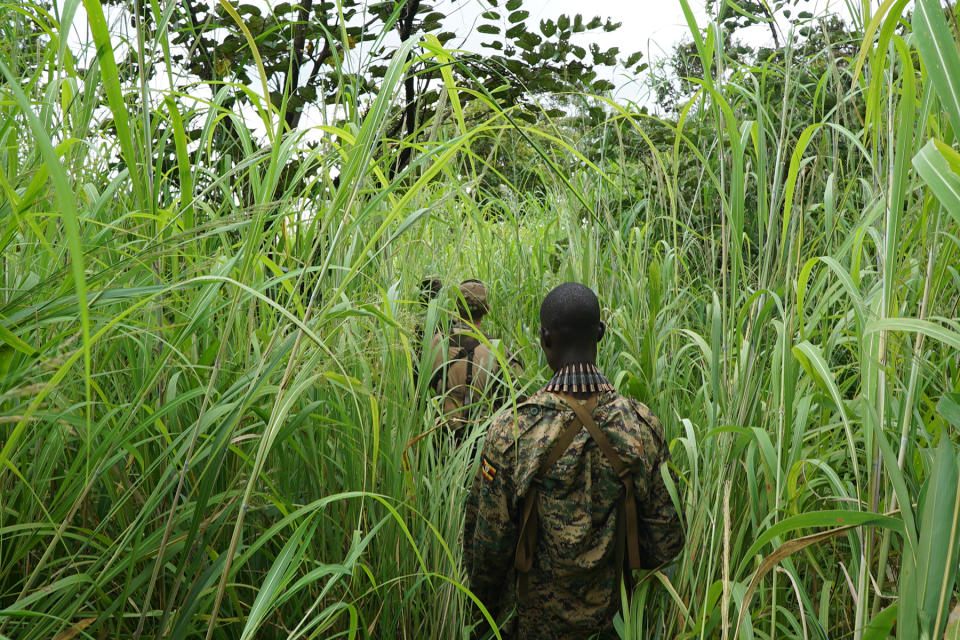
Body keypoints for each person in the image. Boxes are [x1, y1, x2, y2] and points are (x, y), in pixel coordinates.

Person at [462, 282, 684, 639]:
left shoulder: (513, 431)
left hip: (532, 629)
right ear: (600, 333)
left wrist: (481, 622)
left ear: (544, 339)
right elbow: (666, 543)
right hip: (615, 626)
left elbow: (486, 553)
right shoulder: (641, 426)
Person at [429, 279, 521, 445]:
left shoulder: (434, 342)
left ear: (456, 307)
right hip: (478, 446)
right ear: (487, 310)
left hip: (436, 442)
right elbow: (518, 401)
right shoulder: (497, 350)